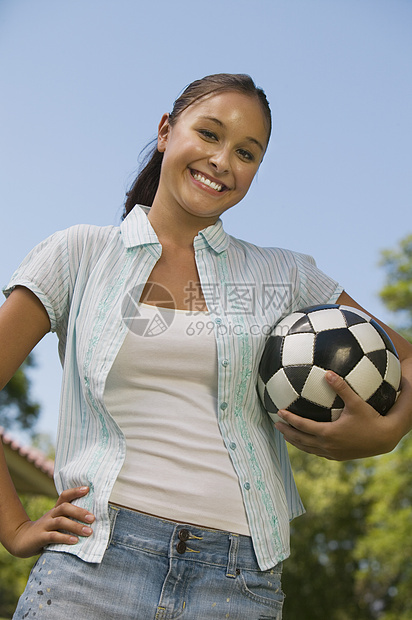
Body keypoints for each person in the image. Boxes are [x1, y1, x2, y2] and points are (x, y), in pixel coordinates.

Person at [1, 73, 411, 620]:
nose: (223, 161)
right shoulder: (78, 253)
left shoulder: (283, 275)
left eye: (246, 152)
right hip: (91, 569)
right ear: (167, 131)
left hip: (238, 581)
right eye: (210, 134)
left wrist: (390, 430)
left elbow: (407, 356)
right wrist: (15, 528)